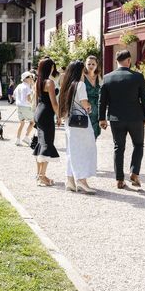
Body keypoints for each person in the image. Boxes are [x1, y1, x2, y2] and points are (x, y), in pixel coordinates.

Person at [99, 50, 145, 189]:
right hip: (136, 118)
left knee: (118, 148)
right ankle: (134, 172)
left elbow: (102, 100)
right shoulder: (138, 77)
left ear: (117, 61)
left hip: (116, 119)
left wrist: (101, 118)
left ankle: (119, 180)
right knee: (138, 145)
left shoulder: (107, 77)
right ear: (129, 60)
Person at [58, 61, 97, 194]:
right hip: (81, 123)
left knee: (71, 151)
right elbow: (85, 104)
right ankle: (81, 181)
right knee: (84, 150)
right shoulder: (80, 85)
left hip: (70, 121)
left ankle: (70, 181)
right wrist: (89, 108)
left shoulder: (67, 85)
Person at [32, 57, 61, 187]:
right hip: (47, 113)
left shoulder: (37, 82)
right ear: (51, 68)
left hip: (39, 112)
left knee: (41, 143)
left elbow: (35, 101)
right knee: (47, 143)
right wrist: (59, 116)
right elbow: (54, 103)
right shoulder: (49, 82)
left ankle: (39, 175)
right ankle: (42, 176)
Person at [13, 72, 35, 146]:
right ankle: (26, 137)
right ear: (26, 78)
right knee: (33, 122)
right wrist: (33, 103)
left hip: (19, 106)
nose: (32, 79)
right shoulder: (27, 87)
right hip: (26, 107)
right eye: (30, 77)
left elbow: (14, 95)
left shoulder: (19, 85)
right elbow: (28, 98)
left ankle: (18, 139)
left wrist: (18, 101)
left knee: (21, 123)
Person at [83, 55, 102, 139]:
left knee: (95, 133)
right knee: (86, 134)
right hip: (85, 108)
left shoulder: (98, 76)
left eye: (93, 64)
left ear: (96, 65)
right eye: (89, 64)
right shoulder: (82, 77)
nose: (91, 66)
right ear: (85, 64)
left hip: (97, 109)